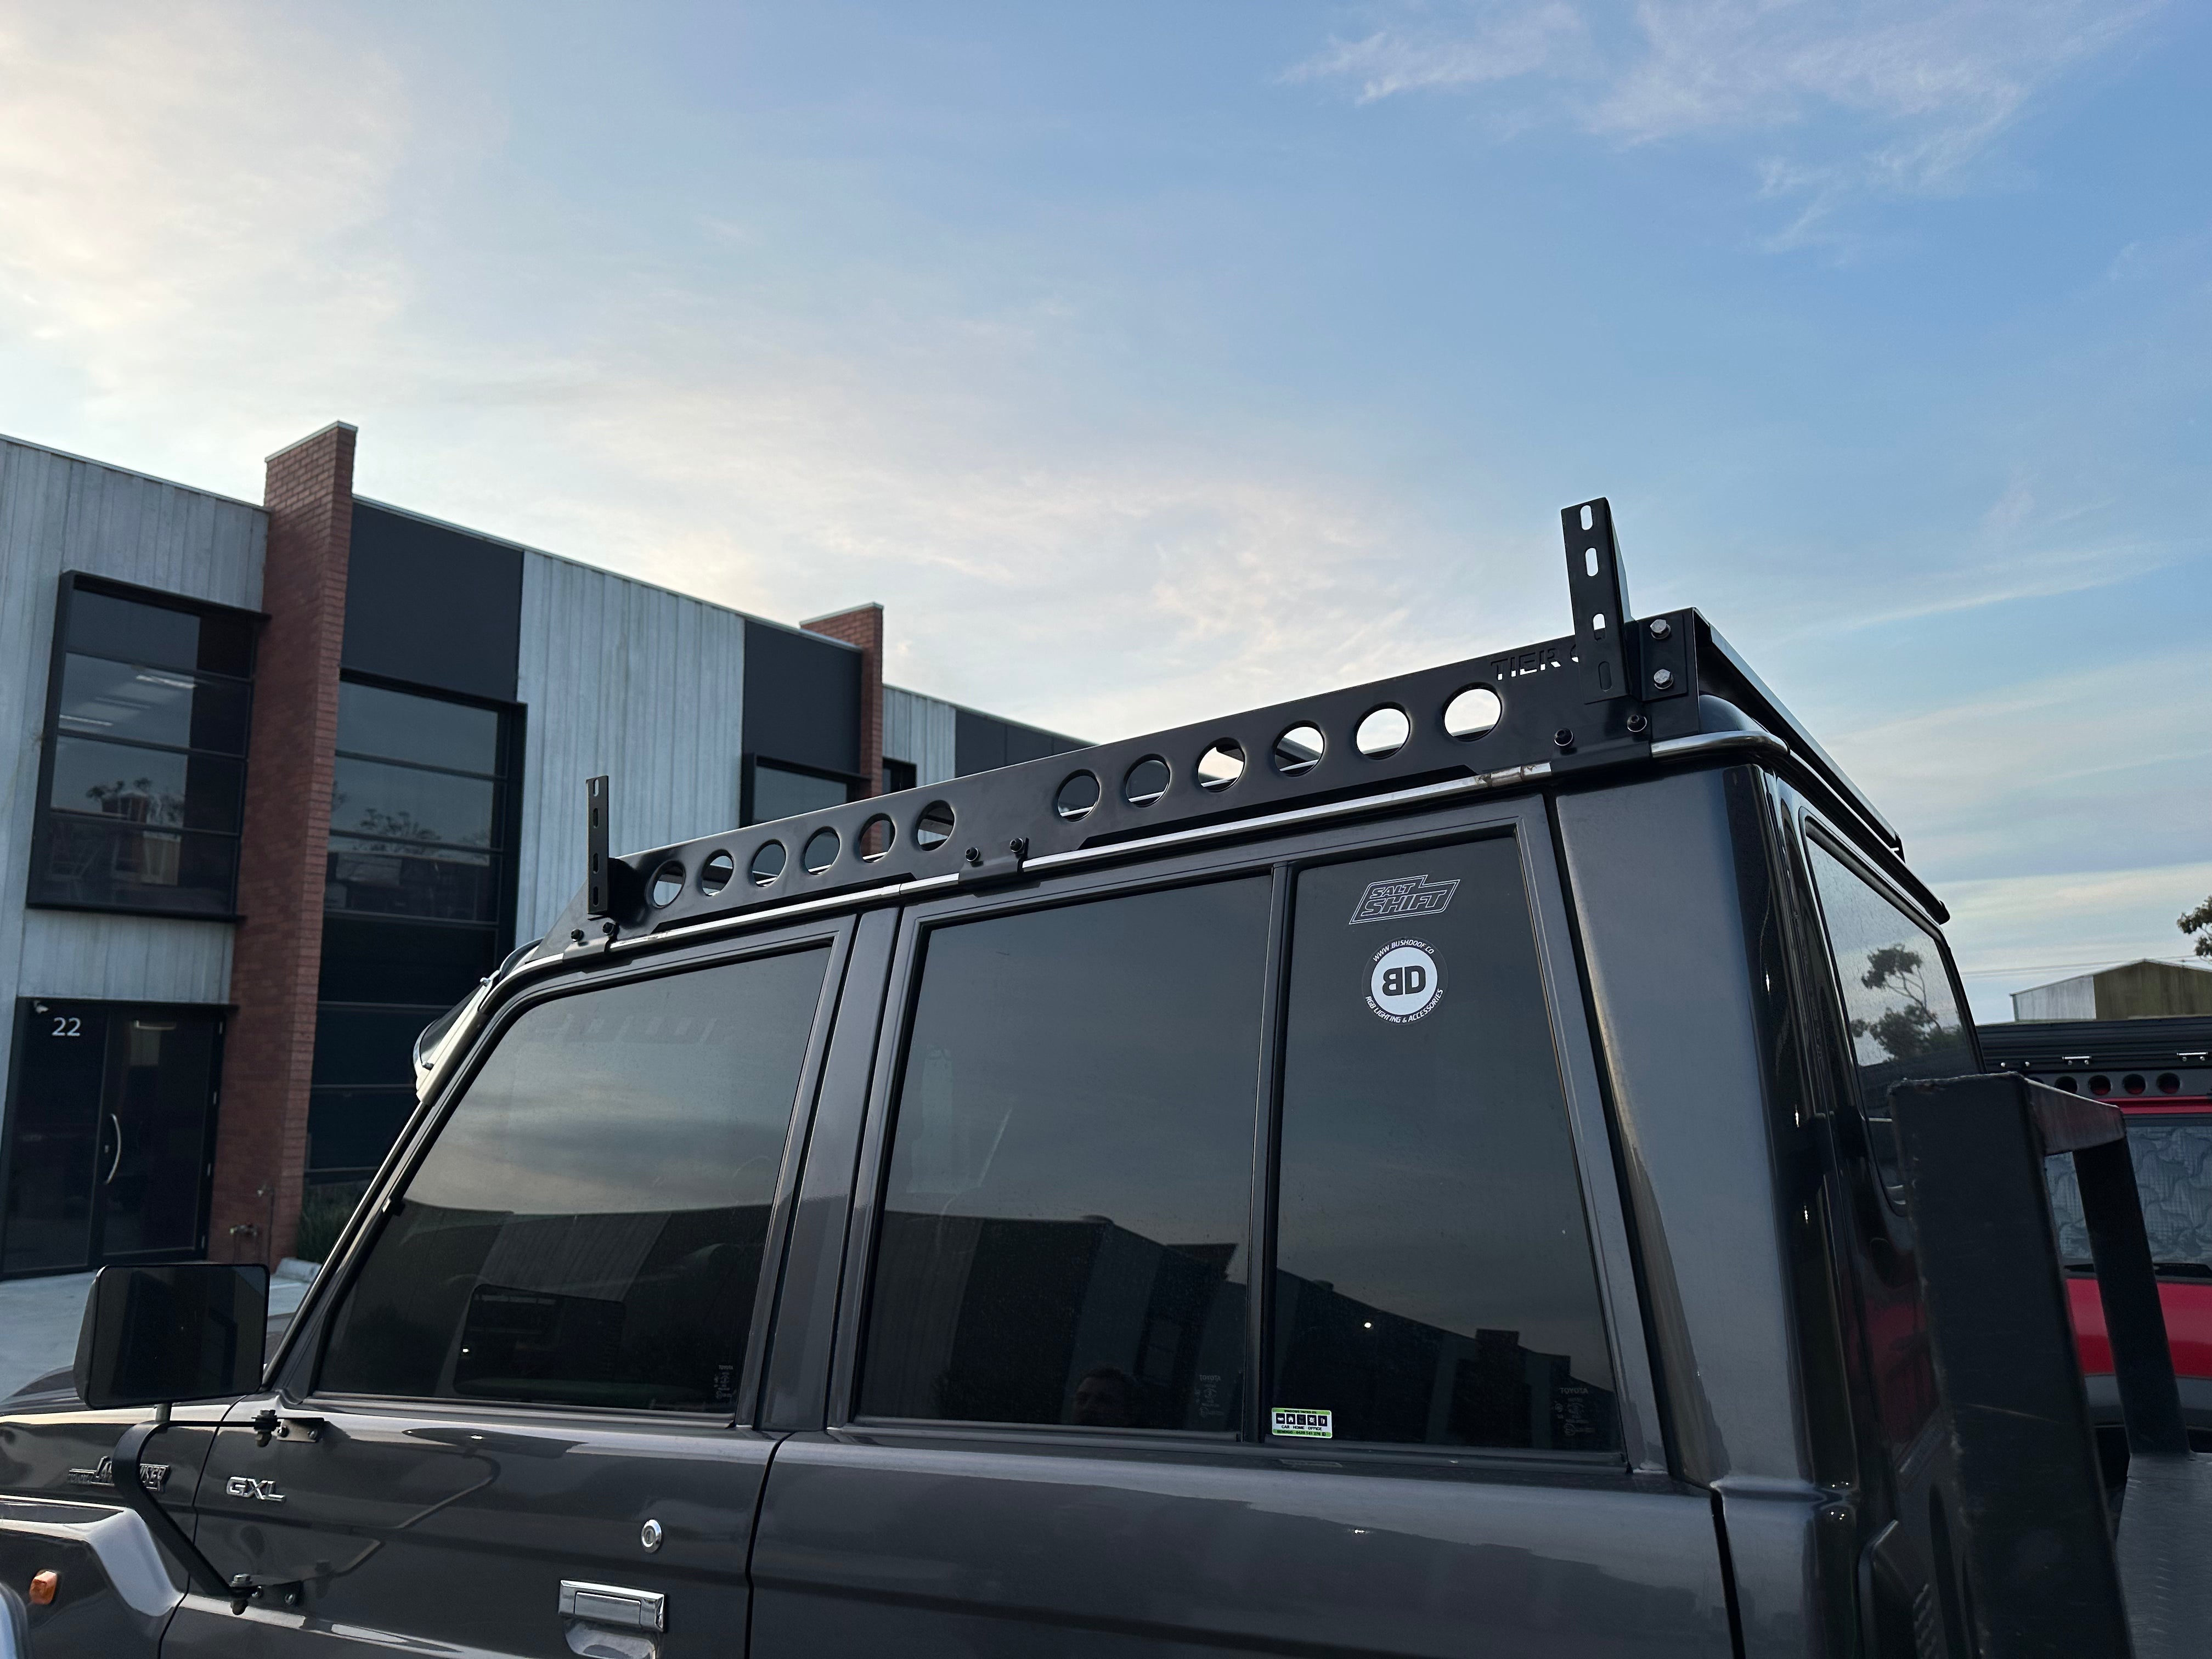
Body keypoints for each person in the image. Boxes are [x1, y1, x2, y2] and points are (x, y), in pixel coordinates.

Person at [1071, 1365, 1139, 1427]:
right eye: (1082, 1398)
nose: (1088, 1407)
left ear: (1128, 1412)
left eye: (1103, 1400)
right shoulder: (1065, 1434)